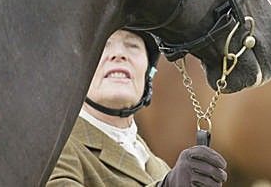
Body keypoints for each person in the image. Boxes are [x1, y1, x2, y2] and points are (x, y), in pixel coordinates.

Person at [47, 29, 228, 186]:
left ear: (148, 72)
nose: (119, 54)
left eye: (132, 46)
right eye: (103, 45)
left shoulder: (160, 167)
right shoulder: (54, 148)